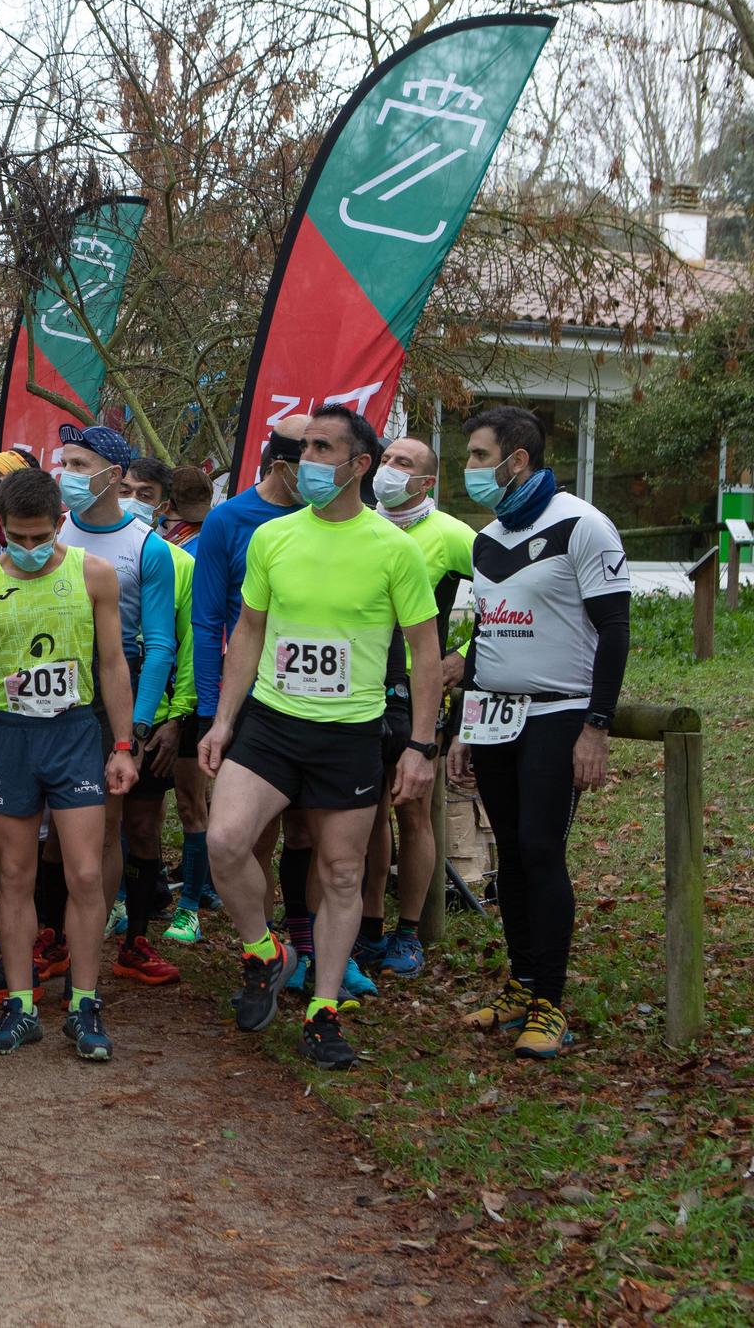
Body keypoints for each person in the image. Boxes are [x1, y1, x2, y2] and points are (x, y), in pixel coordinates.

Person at [198, 405, 440, 1071]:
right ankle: (265, 952)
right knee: (224, 840)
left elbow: (424, 648)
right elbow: (247, 631)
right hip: (273, 723)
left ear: (360, 464)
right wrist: (223, 719)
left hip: (351, 730)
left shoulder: (394, 549)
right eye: (304, 447)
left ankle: (323, 1012)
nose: (307, 460)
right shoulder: (274, 539)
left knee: (340, 873)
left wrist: (421, 746)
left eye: (324, 448)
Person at [450, 405, 629, 1059]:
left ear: (516, 458)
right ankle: (522, 984)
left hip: (559, 711)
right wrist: (465, 725)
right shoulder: (488, 537)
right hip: (495, 713)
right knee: (512, 857)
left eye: (476, 454)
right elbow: (487, 635)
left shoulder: (584, 524)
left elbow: (614, 628)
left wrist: (597, 725)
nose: (468, 468)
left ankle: (551, 1002)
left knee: (539, 846)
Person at [0, 468, 137, 1057]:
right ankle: (21, 1004)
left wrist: (123, 744)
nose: (28, 549)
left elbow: (112, 664)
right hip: (10, 736)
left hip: (76, 732)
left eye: (40, 538)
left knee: (83, 873)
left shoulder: (94, 574)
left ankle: (84, 1004)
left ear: (61, 524)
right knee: (13, 877)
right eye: (16, 538)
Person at [189, 418, 317, 980]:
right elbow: (208, 619)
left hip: (324, 705)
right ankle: (262, 958)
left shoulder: (333, 518)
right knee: (253, 836)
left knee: (314, 834)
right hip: (252, 702)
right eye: (310, 459)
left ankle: (309, 944)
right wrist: (215, 711)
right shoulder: (229, 520)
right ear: (283, 466)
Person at [53, 426, 180, 984]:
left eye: (80, 464)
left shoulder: (146, 545)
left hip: (113, 689)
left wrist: (139, 722)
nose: (67, 474)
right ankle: (54, 938)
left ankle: (93, 954)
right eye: (65, 463)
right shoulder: (47, 531)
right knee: (52, 827)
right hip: (52, 684)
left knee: (105, 827)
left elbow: (158, 645)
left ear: (111, 474)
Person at [359, 436, 476, 977]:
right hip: (359, 688)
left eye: (401, 463)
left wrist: (465, 657)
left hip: (415, 691)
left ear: (425, 483)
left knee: (412, 812)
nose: (387, 469)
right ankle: (369, 925)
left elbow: (512, 596)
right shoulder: (362, 523)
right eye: (384, 460)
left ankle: (410, 934)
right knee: (367, 812)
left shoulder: (451, 534)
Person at [111, 457, 206, 949]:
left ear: (164, 505)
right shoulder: (109, 556)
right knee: (128, 818)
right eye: (125, 488)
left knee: (190, 806)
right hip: (126, 710)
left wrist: (178, 717)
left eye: (144, 494)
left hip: (177, 713)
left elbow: (191, 644)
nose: (132, 499)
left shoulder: (184, 563)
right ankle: (130, 901)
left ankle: (190, 906)